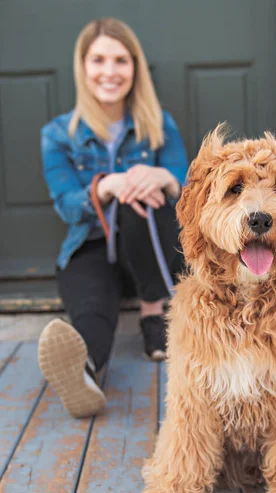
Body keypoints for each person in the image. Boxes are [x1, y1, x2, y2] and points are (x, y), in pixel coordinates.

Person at [38, 17, 189, 418]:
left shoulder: (159, 125)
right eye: (98, 60)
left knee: (145, 191)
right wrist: (106, 185)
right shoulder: (57, 134)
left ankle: (153, 313)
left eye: (121, 60)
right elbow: (67, 205)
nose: (109, 72)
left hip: (150, 249)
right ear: (82, 67)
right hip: (90, 246)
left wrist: (163, 178)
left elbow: (193, 189)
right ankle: (84, 372)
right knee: (91, 310)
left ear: (135, 67)